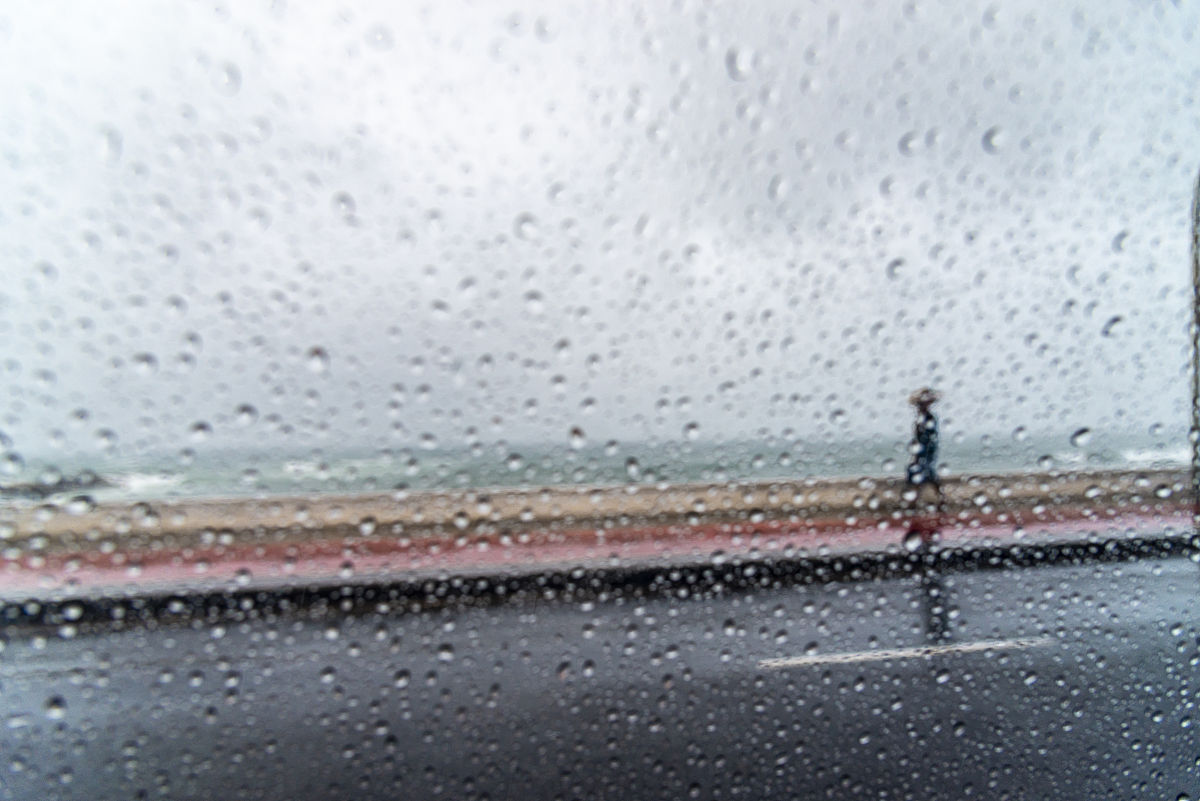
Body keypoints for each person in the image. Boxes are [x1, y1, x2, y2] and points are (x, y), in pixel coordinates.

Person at [906, 388, 943, 547]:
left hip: (925, 454)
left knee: (924, 479)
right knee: (926, 479)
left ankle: (934, 504)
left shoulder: (927, 418)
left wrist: (920, 456)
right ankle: (937, 504)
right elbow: (921, 440)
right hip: (924, 454)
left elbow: (926, 440)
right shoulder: (923, 418)